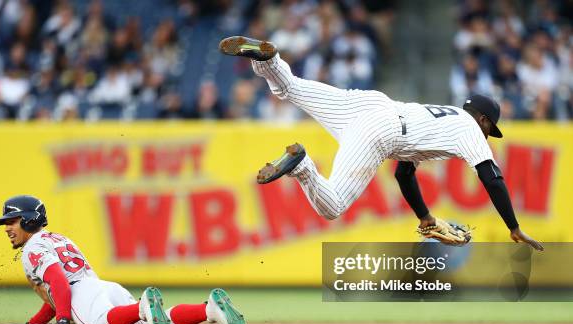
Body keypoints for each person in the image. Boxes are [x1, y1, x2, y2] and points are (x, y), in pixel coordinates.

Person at [219, 36, 543, 251]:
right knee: (332, 206)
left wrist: (425, 218)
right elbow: (492, 178)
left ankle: (267, 60)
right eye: (490, 129)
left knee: (288, 87)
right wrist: (513, 227)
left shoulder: (442, 118)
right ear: (483, 119)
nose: (488, 136)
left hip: (371, 105)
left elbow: (404, 174)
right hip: (383, 130)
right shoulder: (470, 129)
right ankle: (302, 166)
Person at [0, 195, 247, 324]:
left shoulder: (32, 249)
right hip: (104, 288)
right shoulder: (58, 237)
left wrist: (63, 318)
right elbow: (53, 294)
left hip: (80, 294)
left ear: (28, 220)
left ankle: (140, 307)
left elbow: (59, 282)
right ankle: (208, 311)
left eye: (12, 221)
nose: (7, 228)